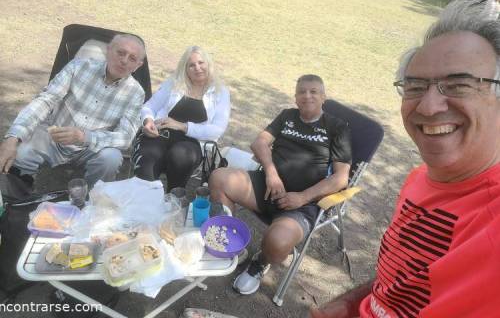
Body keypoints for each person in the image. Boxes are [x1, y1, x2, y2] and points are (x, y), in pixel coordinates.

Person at [309, 0, 500, 318]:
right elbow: (405, 279)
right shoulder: (420, 178)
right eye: (415, 86)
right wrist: (353, 302)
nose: (428, 106)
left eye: (459, 85)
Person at [210, 75, 352, 295]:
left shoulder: (337, 128)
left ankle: (260, 262)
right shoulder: (287, 116)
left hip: (303, 204)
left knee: (278, 242)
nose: (307, 96)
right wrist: (271, 173)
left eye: (314, 91)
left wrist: (303, 197)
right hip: (266, 186)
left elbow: (341, 178)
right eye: (301, 91)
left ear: (324, 97)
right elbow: (259, 142)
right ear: (295, 97)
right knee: (219, 178)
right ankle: (230, 244)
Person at [0, 34, 146, 186]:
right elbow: (46, 100)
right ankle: (19, 195)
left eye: (132, 58)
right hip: (54, 134)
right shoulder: (79, 66)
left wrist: (84, 137)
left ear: (138, 65)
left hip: (92, 147)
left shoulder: (136, 93)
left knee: (111, 158)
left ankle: (93, 201)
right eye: (120, 53)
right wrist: (13, 138)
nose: (124, 61)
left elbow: (125, 137)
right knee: (21, 152)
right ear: (108, 50)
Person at [133, 46, 230, 189]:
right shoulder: (174, 83)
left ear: (209, 64)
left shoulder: (220, 92)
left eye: (201, 63)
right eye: (191, 65)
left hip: (192, 143)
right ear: (185, 69)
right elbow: (149, 107)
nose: (197, 68)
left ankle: (174, 198)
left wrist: (181, 126)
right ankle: (144, 200)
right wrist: (148, 121)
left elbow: (217, 129)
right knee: (148, 161)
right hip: (159, 134)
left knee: (180, 155)